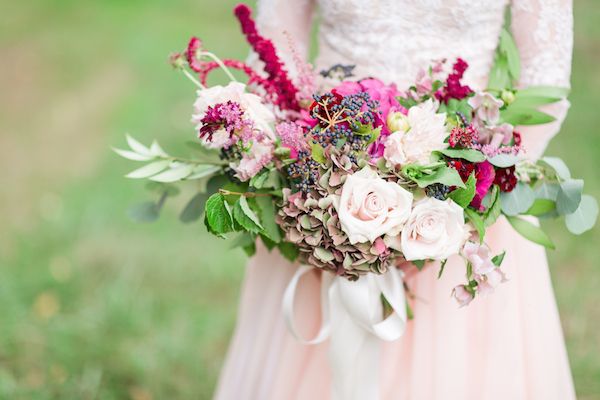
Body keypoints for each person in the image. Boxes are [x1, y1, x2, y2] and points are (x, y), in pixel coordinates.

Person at [214, 0, 575, 398]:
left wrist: (459, 207)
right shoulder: (314, 187)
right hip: (318, 182)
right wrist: (311, 181)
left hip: (467, 203)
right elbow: (275, 45)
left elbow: (547, 82)